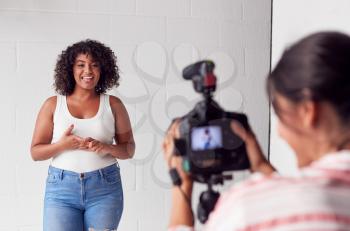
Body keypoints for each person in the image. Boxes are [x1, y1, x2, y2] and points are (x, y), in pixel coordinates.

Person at [163, 31, 350, 230]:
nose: (279, 132)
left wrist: (180, 187)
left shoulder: (248, 208)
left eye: (280, 116)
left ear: (307, 112)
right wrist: (261, 166)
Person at [30, 39, 135, 231]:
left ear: (103, 69)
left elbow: (129, 149)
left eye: (95, 65)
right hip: (61, 190)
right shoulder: (53, 104)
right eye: (81, 65)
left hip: (105, 189)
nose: (88, 71)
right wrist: (62, 145)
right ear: (70, 69)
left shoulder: (114, 105)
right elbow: (36, 152)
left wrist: (106, 147)